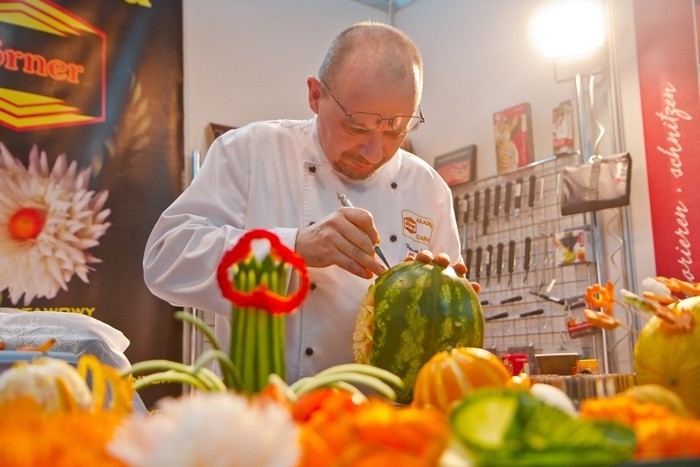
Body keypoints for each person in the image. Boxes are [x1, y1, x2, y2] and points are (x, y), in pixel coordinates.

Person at [143, 21, 463, 383]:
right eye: (357, 126)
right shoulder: (251, 152)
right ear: (316, 95)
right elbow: (166, 258)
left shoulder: (430, 188)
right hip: (266, 422)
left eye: (396, 130)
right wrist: (293, 246)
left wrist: (448, 294)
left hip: (376, 425)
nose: (375, 152)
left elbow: (445, 339)